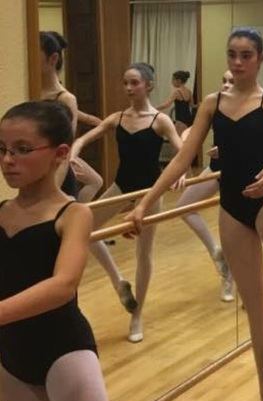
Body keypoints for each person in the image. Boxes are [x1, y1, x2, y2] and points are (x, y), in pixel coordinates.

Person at [127, 28, 263, 401]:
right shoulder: (212, 103)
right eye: (232, 54)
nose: (237, 62)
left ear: (260, 59)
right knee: (254, 304)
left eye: (246, 55)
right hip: (232, 206)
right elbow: (184, 157)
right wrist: (146, 203)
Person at [0, 101, 110, 401]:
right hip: (11, 354)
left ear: (60, 153)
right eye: (2, 149)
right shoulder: (2, 213)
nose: (8, 160)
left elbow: (63, 286)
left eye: (22, 149)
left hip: (63, 351)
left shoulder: (73, 214)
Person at [70, 63, 185, 343]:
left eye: (134, 83)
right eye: (126, 83)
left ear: (148, 85)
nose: (128, 88)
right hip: (121, 187)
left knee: (143, 255)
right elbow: (85, 138)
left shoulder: (160, 120)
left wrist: (179, 173)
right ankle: (118, 280)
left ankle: (137, 315)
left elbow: (182, 152)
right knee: (84, 229)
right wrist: (74, 150)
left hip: (149, 193)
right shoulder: (117, 118)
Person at [175, 71, 235, 303]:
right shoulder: (214, 104)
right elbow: (193, 129)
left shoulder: (246, 106)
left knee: (229, 229)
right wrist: (184, 139)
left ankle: (228, 278)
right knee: (184, 207)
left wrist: (227, 150)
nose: (227, 84)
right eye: (224, 80)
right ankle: (215, 251)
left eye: (231, 81)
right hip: (215, 169)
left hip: (236, 174)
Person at [39, 31, 103, 202]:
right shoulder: (29, 90)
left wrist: (52, 193)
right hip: (37, 172)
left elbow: (64, 151)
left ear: (52, 59)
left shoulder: (66, 99)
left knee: (95, 182)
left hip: (58, 179)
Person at [157, 70, 195, 136]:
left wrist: (154, 108)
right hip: (189, 119)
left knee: (179, 142)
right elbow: (192, 105)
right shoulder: (189, 91)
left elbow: (167, 104)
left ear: (179, 81)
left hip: (180, 120)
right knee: (186, 140)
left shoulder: (177, 92)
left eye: (173, 80)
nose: (171, 82)